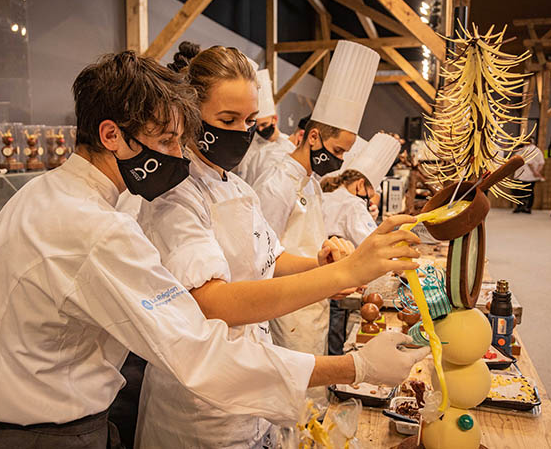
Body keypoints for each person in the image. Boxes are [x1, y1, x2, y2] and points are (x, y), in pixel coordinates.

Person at [0, 51, 425, 449]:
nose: (180, 156)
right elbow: (200, 346)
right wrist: (355, 366)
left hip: (6, 427)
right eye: (167, 141)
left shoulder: (36, 196)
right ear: (112, 134)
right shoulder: (95, 229)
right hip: (47, 436)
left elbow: (261, 260)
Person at [129, 43, 425, 448]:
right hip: (198, 410)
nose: (242, 132)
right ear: (191, 115)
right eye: (227, 119)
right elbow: (213, 302)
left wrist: (322, 266)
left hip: (253, 385)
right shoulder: (175, 196)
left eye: (249, 120)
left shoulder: (235, 187)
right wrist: (346, 272)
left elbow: (271, 258)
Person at [253, 41, 380, 365]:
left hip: (316, 296)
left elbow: (311, 236)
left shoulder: (311, 181)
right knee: (295, 389)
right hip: (288, 304)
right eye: (336, 151)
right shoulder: (276, 183)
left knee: (314, 391)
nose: (337, 161)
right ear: (313, 137)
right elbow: (262, 259)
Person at [320, 170, 378, 355]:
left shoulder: (326, 195)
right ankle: (335, 371)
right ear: (360, 184)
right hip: (337, 268)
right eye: (369, 195)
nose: (367, 200)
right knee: (335, 323)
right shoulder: (353, 203)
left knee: (325, 323)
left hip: (319, 267)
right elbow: (371, 241)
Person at [235, 69, 295, 185]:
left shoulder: (288, 147)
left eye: (264, 124)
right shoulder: (250, 148)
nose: (261, 130)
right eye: (256, 126)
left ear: (275, 119)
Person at [513, 138, 544, 214]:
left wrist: (535, 172)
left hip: (522, 174)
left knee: (519, 192)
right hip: (530, 176)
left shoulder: (523, 149)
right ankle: (528, 207)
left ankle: (520, 206)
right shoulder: (537, 150)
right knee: (530, 191)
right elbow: (541, 162)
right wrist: (537, 172)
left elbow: (515, 160)